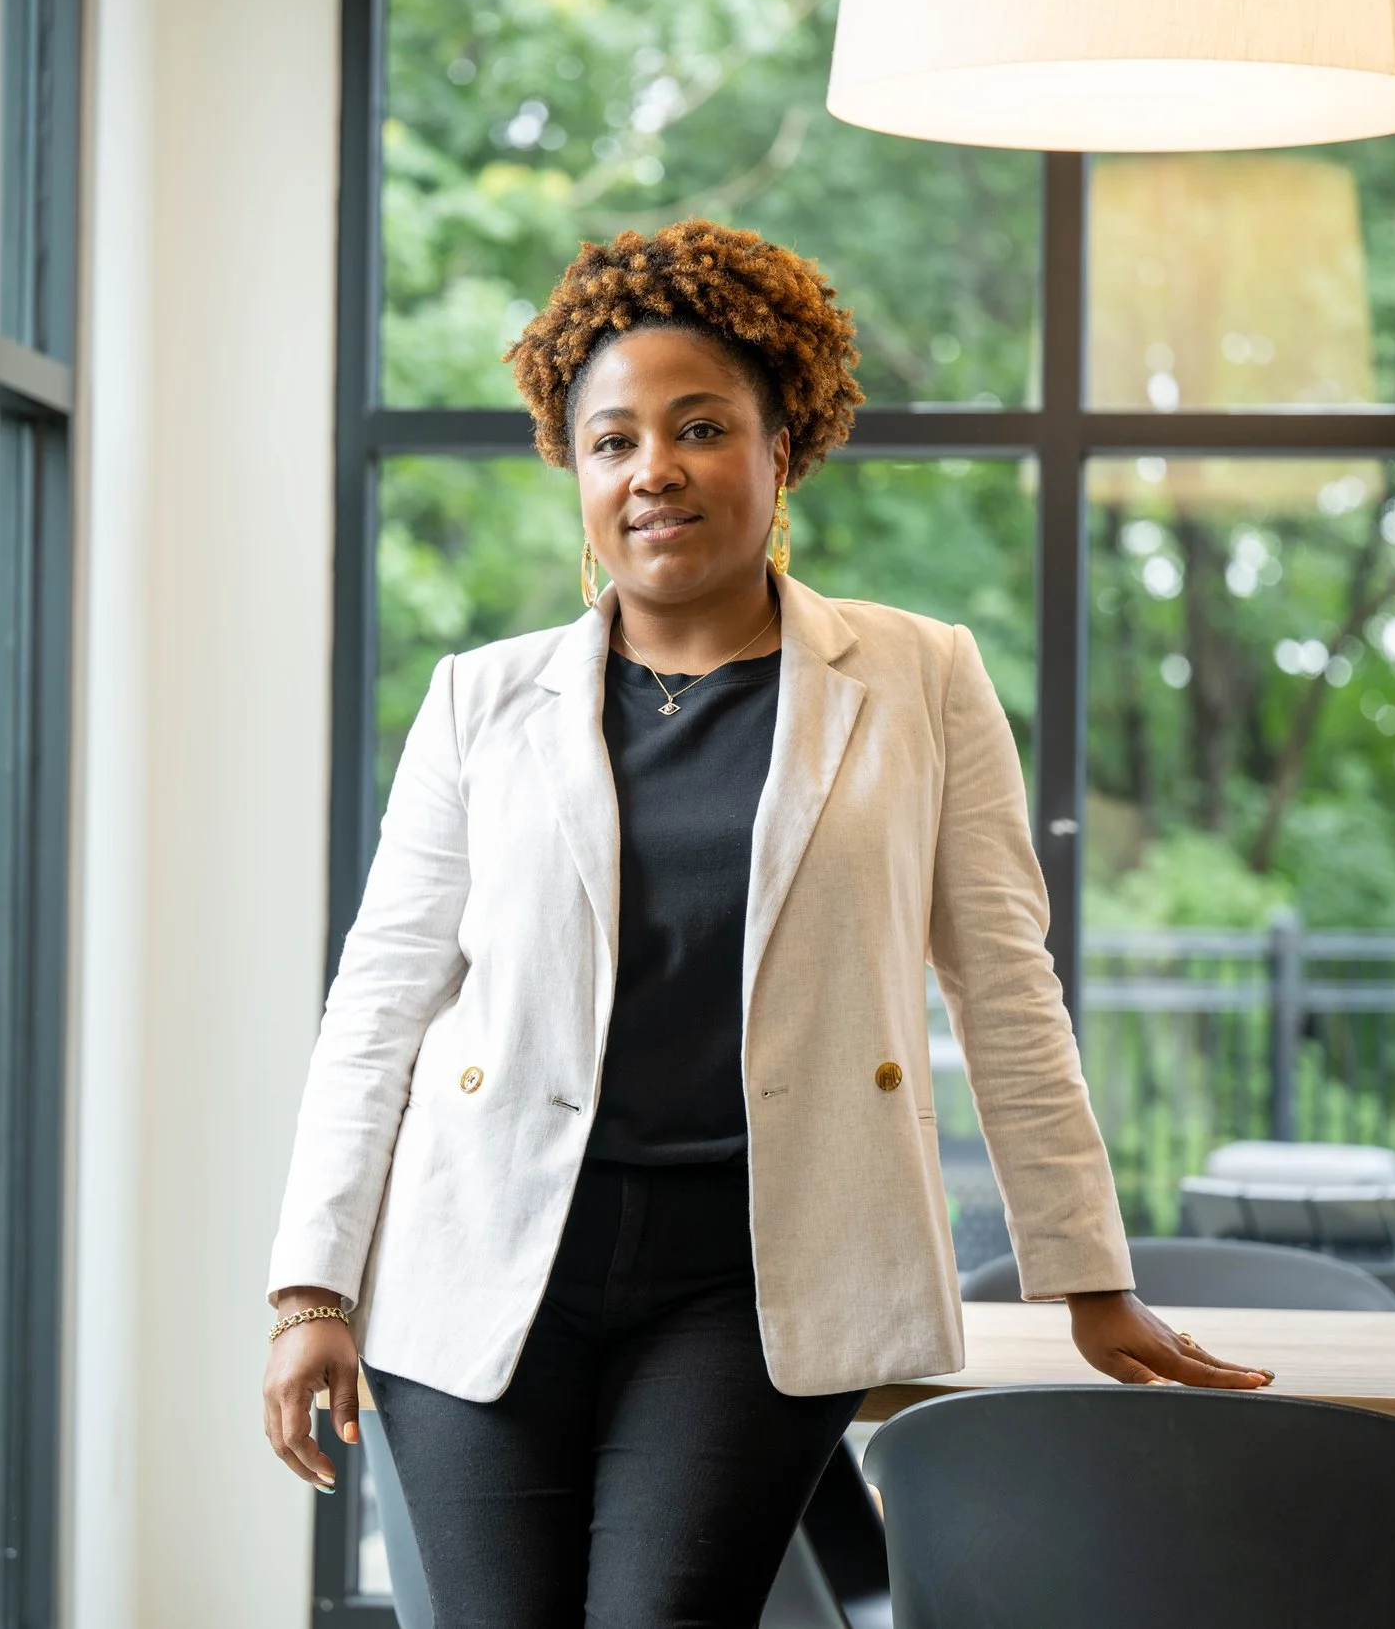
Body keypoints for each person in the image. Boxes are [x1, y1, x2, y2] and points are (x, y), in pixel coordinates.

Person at [262, 216, 1269, 1626]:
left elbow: (1005, 984)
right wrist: (310, 1288)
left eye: (699, 428)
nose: (652, 470)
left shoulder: (920, 677)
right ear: (577, 472)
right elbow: (379, 1003)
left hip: (751, 1272)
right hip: (485, 1250)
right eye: (611, 440)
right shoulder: (477, 700)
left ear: (780, 445)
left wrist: (1088, 1273)